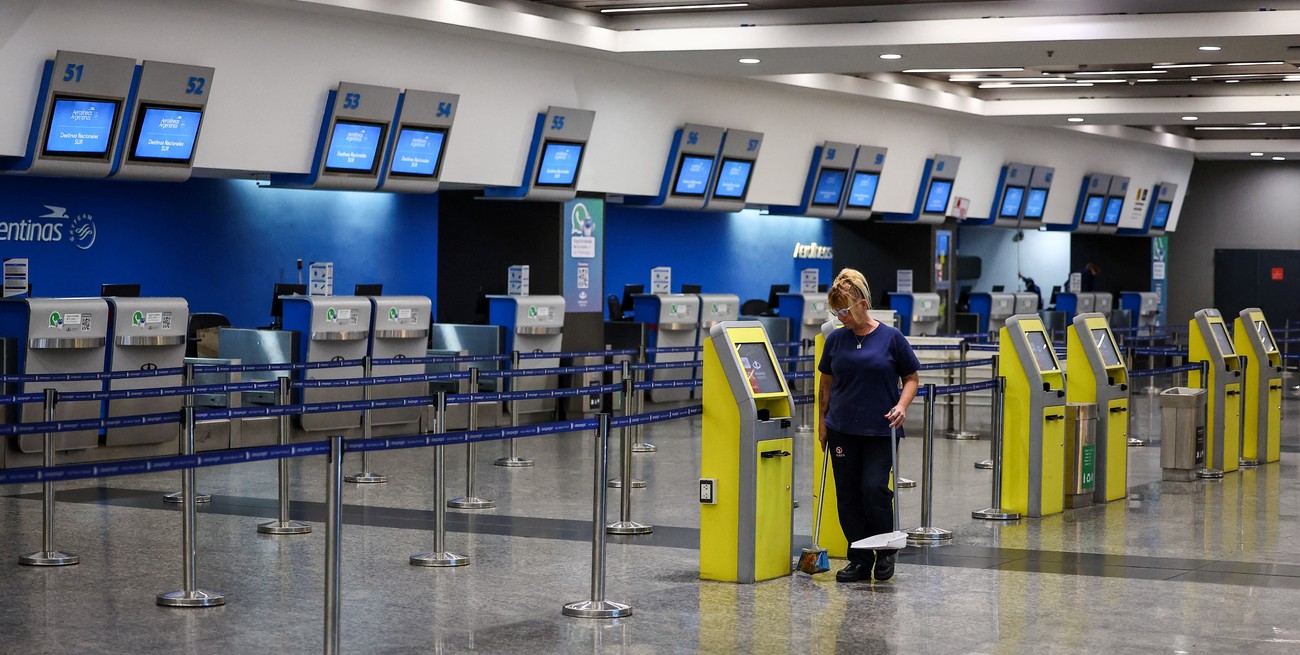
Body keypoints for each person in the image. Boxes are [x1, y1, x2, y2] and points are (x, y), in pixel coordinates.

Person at [817, 268, 920, 583]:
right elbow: (825, 385)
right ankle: (859, 559)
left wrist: (902, 406)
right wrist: (822, 422)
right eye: (836, 312)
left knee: (873, 488)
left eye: (845, 310)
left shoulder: (891, 338)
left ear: (862, 304)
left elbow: (911, 378)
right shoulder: (835, 340)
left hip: (880, 430)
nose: (841, 317)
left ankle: (885, 551)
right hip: (841, 429)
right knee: (847, 496)